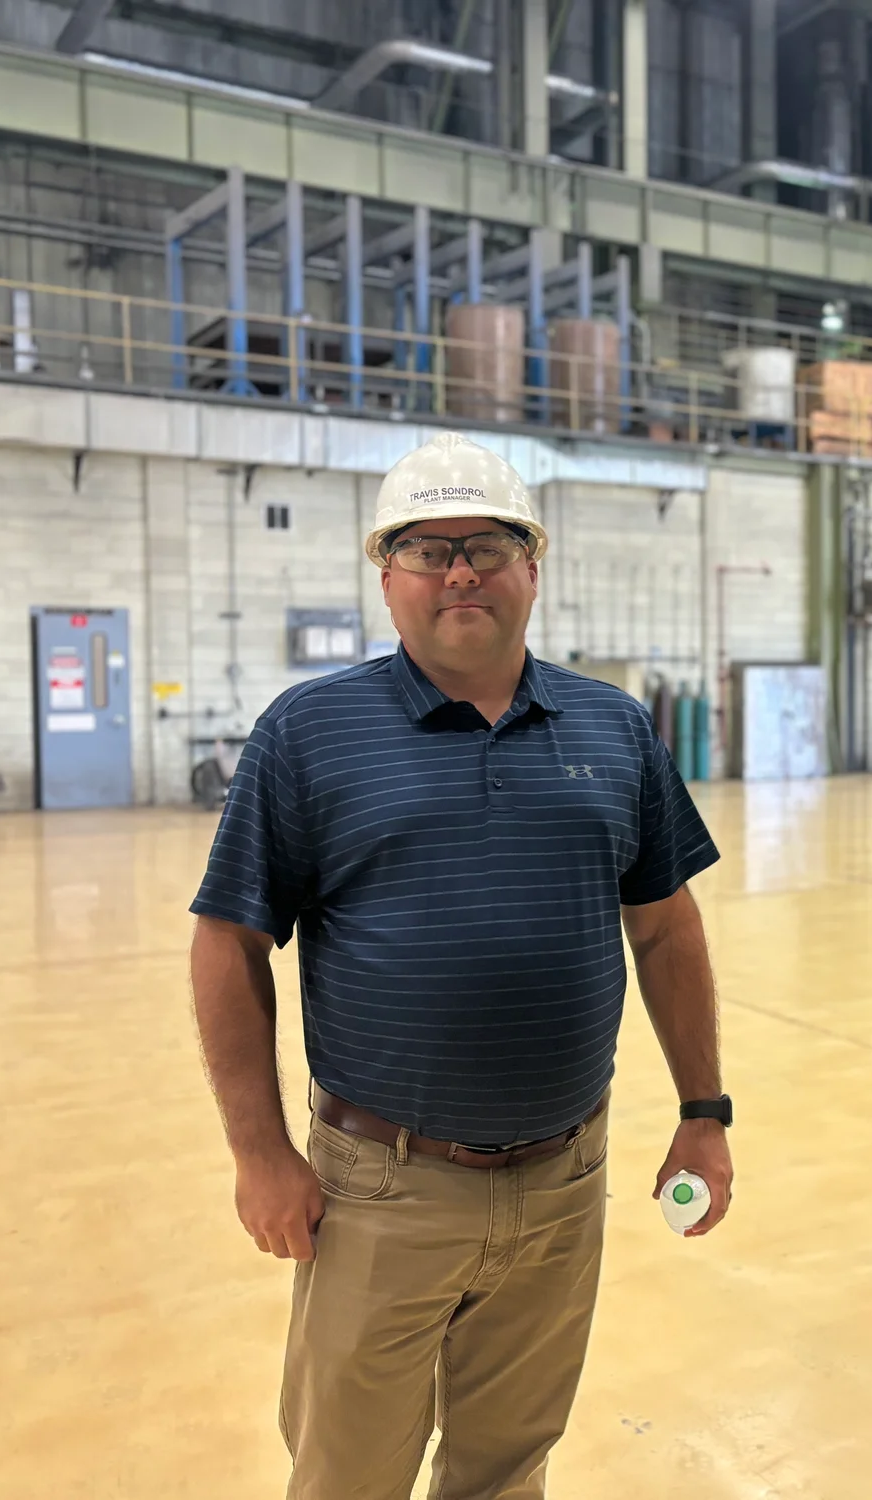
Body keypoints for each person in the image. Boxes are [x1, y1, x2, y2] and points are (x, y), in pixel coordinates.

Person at [189, 431, 733, 1500]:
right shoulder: (309, 735)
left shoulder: (613, 729)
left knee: (507, 1467)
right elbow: (227, 944)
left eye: (484, 545)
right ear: (384, 575)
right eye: (425, 550)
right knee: (348, 1474)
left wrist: (703, 1110)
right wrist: (258, 1154)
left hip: (565, 1181)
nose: (458, 572)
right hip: (381, 1192)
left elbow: (666, 928)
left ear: (531, 563)